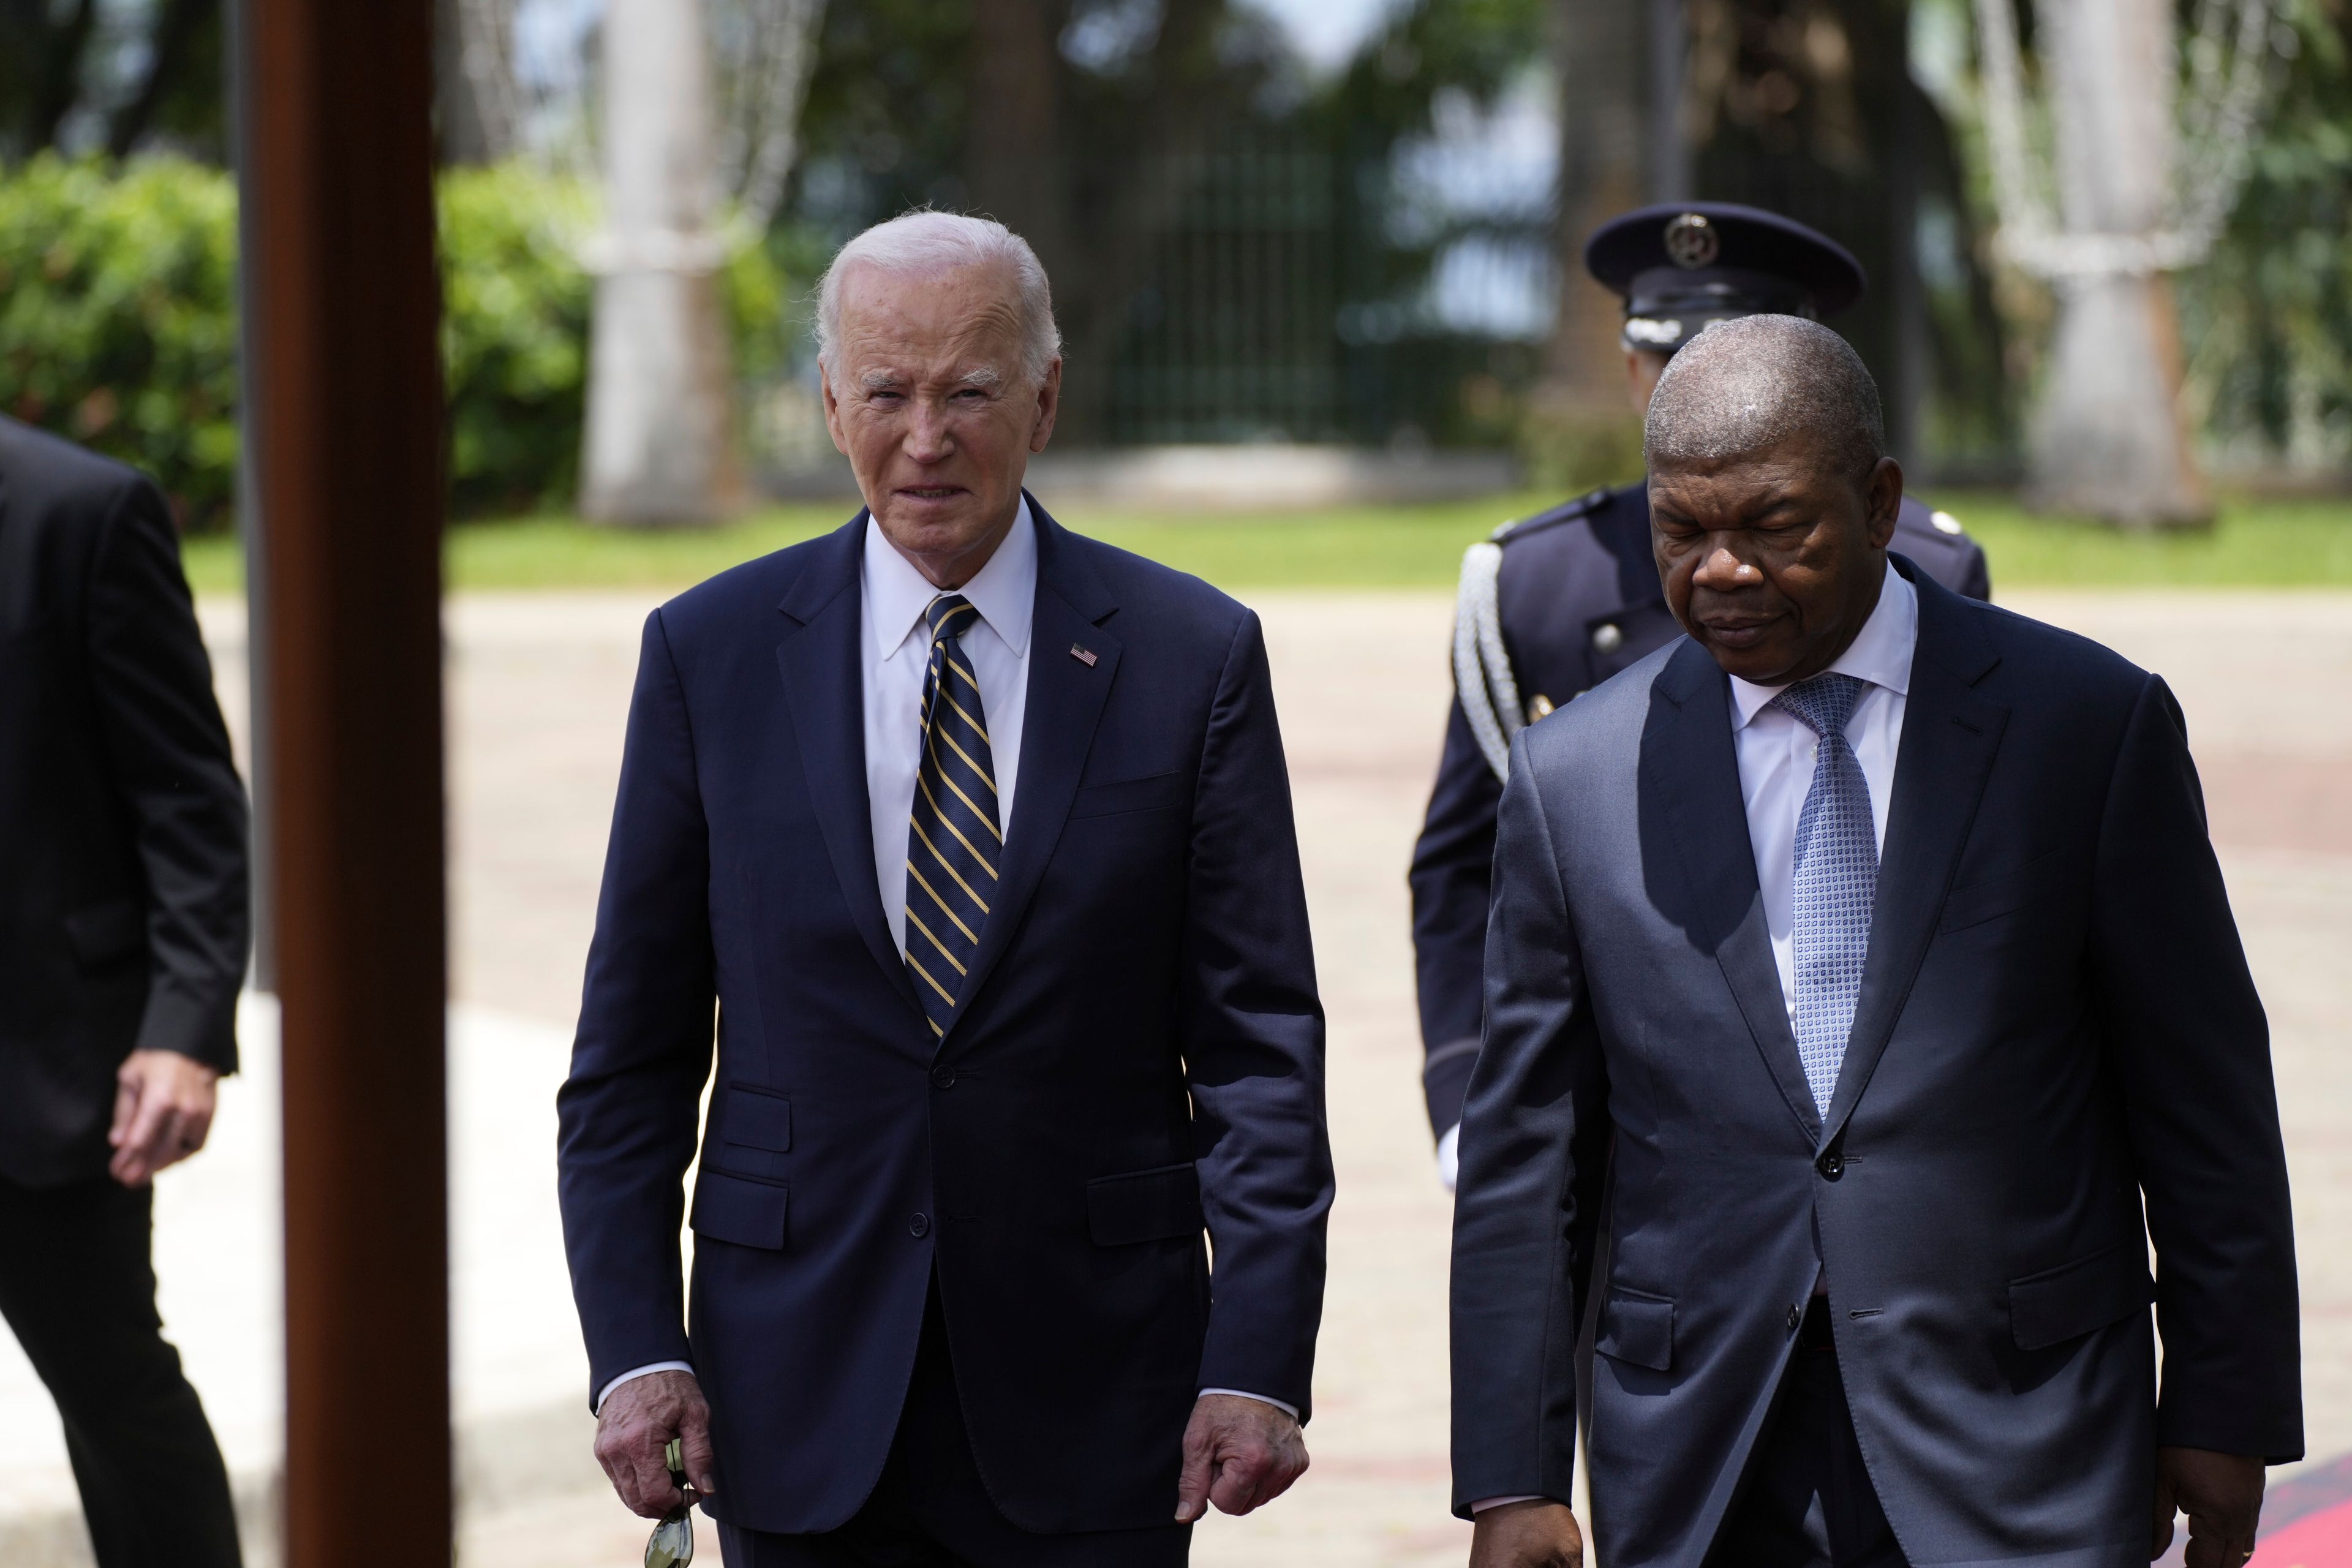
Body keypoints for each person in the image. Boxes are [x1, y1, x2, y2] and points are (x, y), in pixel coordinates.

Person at [1449, 315, 2301, 1567]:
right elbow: (1527, 1157)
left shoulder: (2084, 728)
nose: (1722, 570)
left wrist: (2226, 1407)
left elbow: (2204, 1101)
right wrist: (1511, 1475)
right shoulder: (1573, 777)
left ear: (1881, 500)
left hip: (2025, 1437)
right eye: (1681, 530)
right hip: (1709, 1453)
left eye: (1774, 524)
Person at [557, 211, 1333, 1568]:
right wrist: (633, 1350)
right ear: (826, 401)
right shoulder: (710, 653)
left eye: (970, 391)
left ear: (1044, 398)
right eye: (887, 393)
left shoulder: (1189, 652)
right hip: (788, 1388)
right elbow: (630, 1057)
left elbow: (1262, 1049)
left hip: (1098, 1393)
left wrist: (1257, 1359)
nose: (926, 438)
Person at [1413, 204, 1990, 1179]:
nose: (1725, 573)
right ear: (1637, 371)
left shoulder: (1929, 561)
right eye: (1670, 361)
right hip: (1625, 1078)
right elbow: (1473, 862)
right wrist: (1471, 1097)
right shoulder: (1535, 582)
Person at [0, 416, 251, 1567]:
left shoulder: (82, 512)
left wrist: (184, 1030)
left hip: (42, 1064)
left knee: (114, 1392)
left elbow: (190, 802)